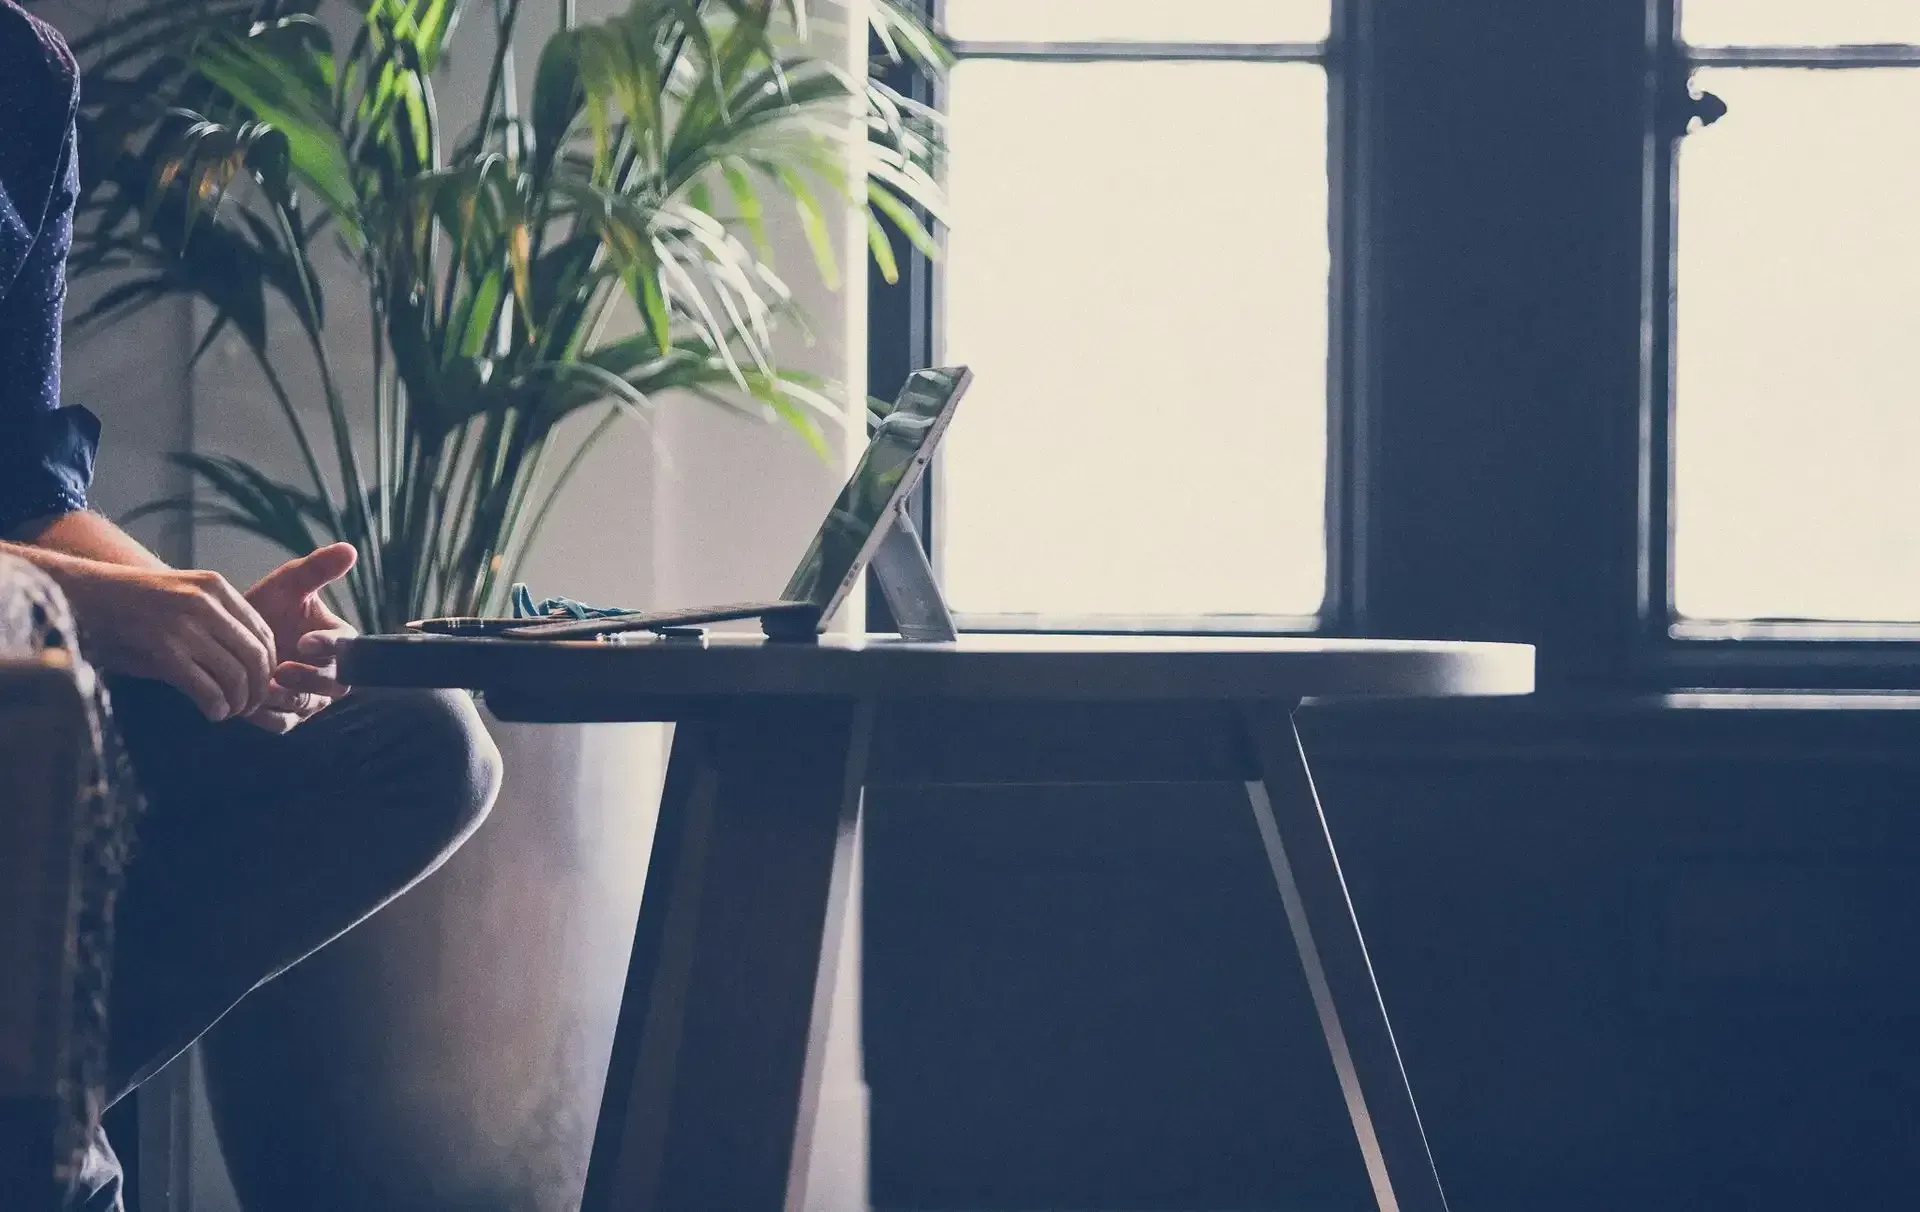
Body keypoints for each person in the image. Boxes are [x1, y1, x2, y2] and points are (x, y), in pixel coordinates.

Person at [0, 2, 503, 1208]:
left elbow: (26, 484)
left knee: (417, 745)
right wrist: (93, 609)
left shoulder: (20, 75)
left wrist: (203, 623)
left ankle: (32, 1120)